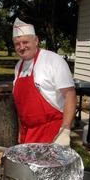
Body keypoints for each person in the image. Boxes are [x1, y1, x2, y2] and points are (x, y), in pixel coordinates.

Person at [12, 18, 77, 146]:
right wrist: (21, 129)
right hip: (27, 133)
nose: (21, 47)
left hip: (51, 133)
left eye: (25, 42)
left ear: (36, 40)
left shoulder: (53, 61)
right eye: (17, 44)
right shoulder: (18, 66)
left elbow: (70, 95)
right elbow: (22, 105)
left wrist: (65, 130)